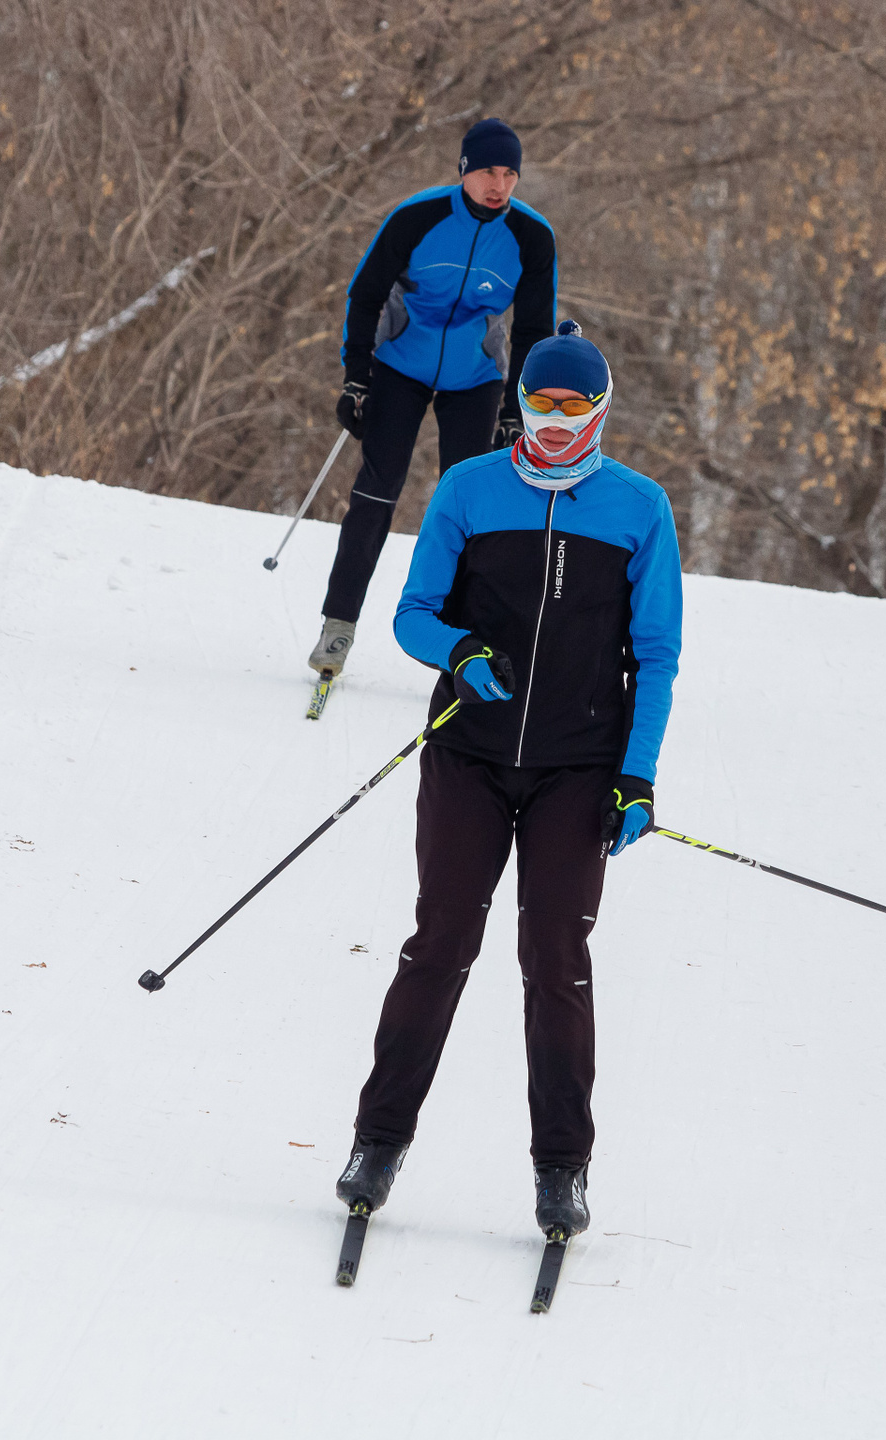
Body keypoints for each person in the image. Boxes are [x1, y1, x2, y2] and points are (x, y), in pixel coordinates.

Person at [334, 321, 682, 1241]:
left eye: (575, 405)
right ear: (519, 402)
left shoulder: (639, 508)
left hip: (579, 768)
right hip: (469, 756)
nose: (556, 421)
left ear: (601, 409)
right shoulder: (469, 488)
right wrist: (460, 651)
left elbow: (656, 656)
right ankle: (378, 1142)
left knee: (556, 960)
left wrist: (636, 777)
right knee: (441, 943)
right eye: (541, 402)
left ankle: (561, 1167)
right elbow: (412, 615)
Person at [308, 117, 557, 678]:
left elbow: (533, 331)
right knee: (376, 492)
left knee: (466, 507)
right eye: (488, 171)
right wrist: (356, 377)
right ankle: (337, 627)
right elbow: (365, 294)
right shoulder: (417, 217)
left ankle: (465, 646)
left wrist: (516, 411)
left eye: (510, 174)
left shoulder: (531, 238)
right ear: (464, 169)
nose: (499, 184)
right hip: (400, 366)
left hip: (476, 377)